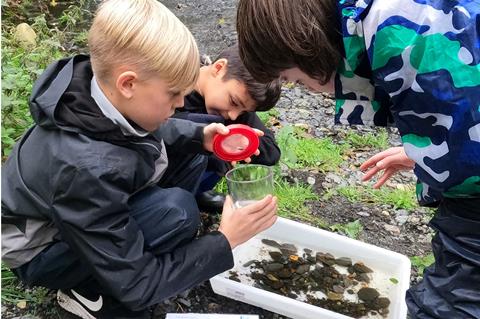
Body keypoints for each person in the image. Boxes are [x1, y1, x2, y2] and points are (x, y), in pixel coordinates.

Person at [1, 1, 278, 318]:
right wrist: (226, 240)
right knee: (177, 212)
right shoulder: (85, 168)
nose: (179, 105)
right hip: (39, 251)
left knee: (193, 157)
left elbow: (152, 126)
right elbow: (139, 283)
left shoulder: (97, 88)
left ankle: (141, 246)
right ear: (128, 83)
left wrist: (201, 137)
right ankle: (89, 295)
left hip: (78, 211)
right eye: (174, 95)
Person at [236, 0, 480, 318]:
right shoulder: (377, 15)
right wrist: (429, 149)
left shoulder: (399, 34)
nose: (307, 89)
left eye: (294, 78)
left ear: (303, 46)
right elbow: (463, 121)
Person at [173, 44, 281, 212]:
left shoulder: (235, 109)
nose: (233, 116)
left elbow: (272, 152)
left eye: (245, 110)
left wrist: (241, 142)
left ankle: (196, 193)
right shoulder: (171, 84)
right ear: (218, 68)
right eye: (234, 102)